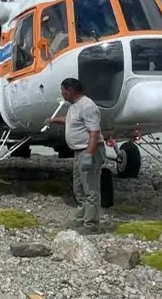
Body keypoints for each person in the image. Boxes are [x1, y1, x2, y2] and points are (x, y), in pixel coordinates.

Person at [46, 77, 106, 234]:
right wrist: (54, 120)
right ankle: (81, 218)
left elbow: (94, 132)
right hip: (79, 151)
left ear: (70, 90)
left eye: (63, 90)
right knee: (78, 187)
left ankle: (91, 224)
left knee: (90, 188)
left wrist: (89, 155)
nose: (62, 93)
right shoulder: (75, 106)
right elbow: (71, 120)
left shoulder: (87, 106)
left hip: (89, 150)